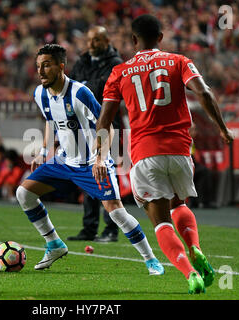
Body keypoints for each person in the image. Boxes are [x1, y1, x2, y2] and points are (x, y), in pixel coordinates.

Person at [93, 15, 234, 294]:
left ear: (134, 40)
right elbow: (204, 93)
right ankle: (194, 247)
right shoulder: (179, 61)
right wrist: (222, 128)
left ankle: (189, 272)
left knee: (160, 221)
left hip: (146, 153)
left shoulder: (119, 72)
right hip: (180, 151)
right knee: (179, 203)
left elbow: (104, 121)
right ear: (160, 37)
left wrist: (100, 156)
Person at [16, 44, 164, 275]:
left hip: (92, 163)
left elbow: (108, 127)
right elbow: (51, 122)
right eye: (38, 66)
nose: (41, 71)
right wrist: (45, 151)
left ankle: (151, 260)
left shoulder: (79, 93)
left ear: (61, 66)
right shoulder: (40, 93)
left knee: (116, 212)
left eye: (46, 65)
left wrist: (101, 159)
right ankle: (54, 244)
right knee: (24, 193)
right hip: (64, 162)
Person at [67, 26, 123, 242]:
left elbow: (103, 93)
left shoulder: (115, 64)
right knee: (87, 176)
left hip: (107, 126)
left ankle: (111, 229)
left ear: (107, 40)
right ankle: (89, 228)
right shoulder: (82, 62)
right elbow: (70, 89)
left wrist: (84, 88)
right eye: (90, 40)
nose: (91, 45)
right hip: (83, 127)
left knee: (107, 175)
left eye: (97, 40)